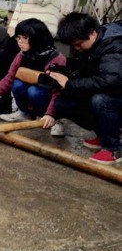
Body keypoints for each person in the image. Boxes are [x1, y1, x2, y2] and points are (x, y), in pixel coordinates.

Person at [49, 12, 122, 164]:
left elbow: (111, 80)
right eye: (73, 46)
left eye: (78, 44)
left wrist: (70, 84)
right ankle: (104, 134)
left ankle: (113, 148)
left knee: (100, 99)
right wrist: (63, 72)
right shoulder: (90, 44)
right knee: (63, 103)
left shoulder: (114, 44)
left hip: (115, 91)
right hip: (113, 92)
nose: (77, 48)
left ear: (92, 33)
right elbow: (87, 72)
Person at [0, 18, 66, 134]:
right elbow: (8, 79)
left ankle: (56, 120)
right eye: (18, 38)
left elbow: (58, 92)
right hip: (32, 92)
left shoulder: (55, 58)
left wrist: (51, 113)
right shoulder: (22, 55)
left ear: (37, 39)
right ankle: (23, 113)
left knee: (33, 91)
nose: (20, 42)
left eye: (25, 38)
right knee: (16, 84)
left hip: (47, 95)